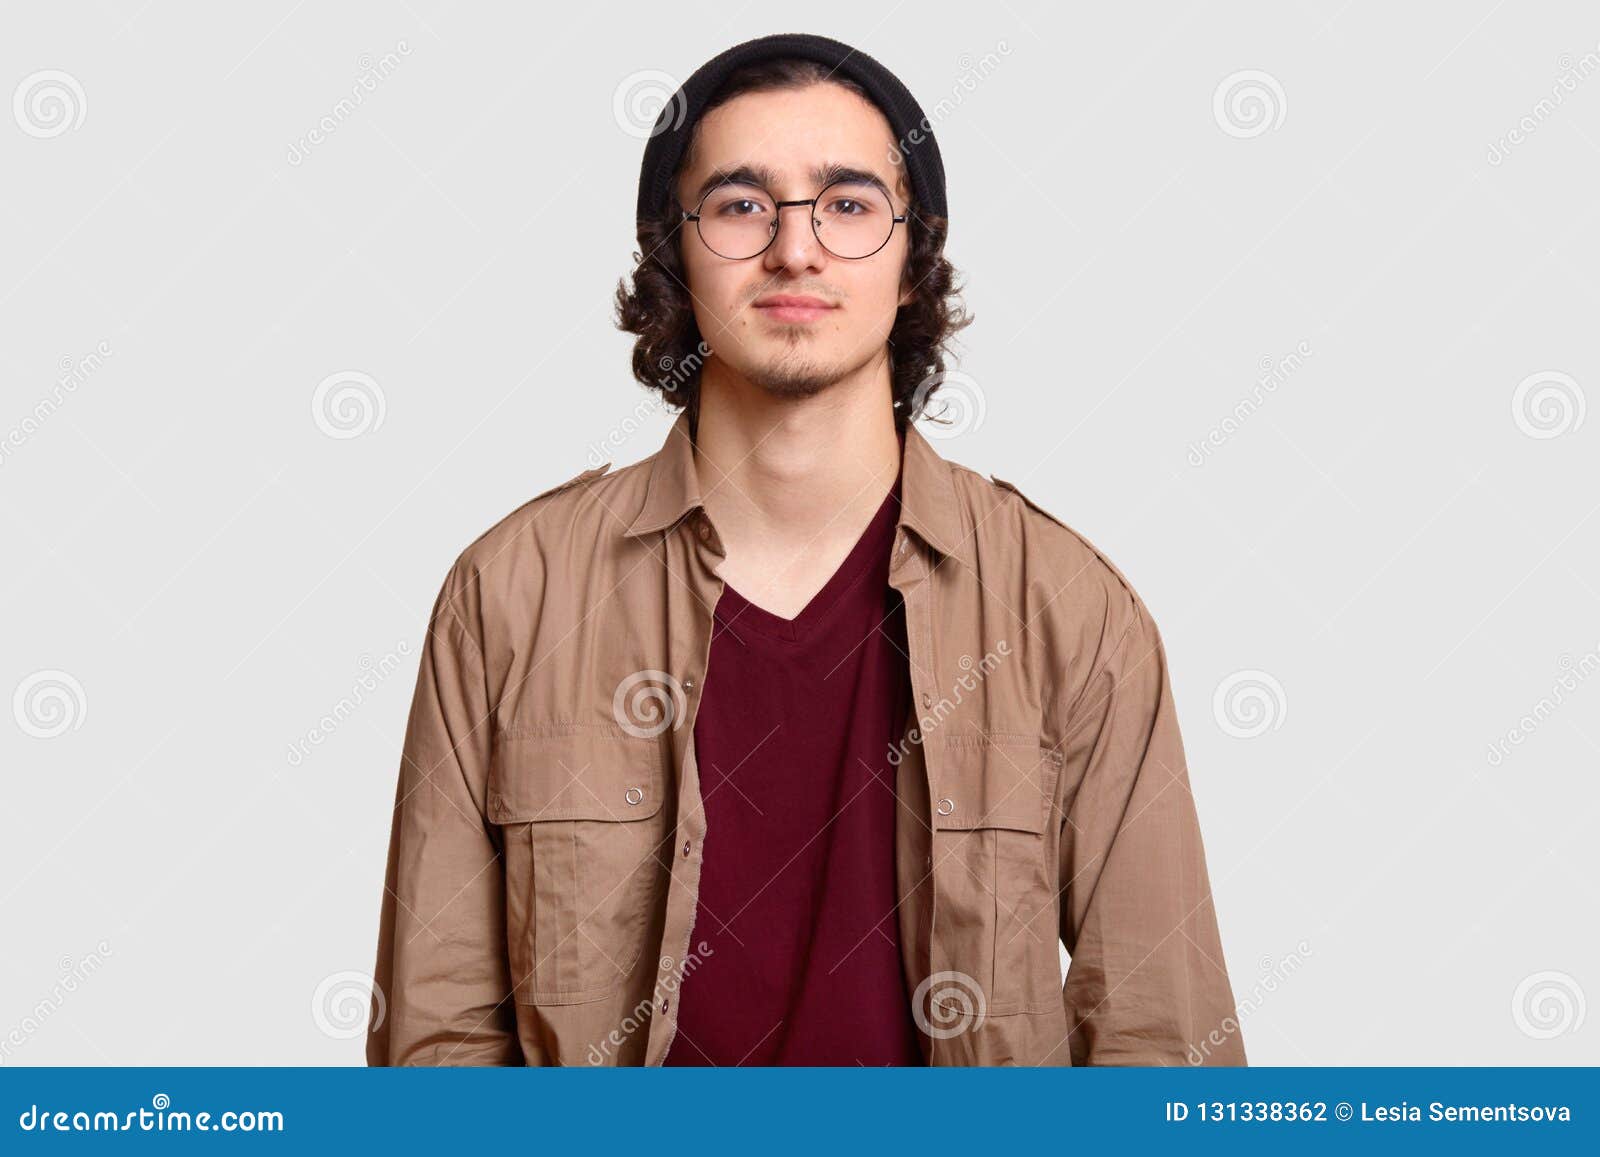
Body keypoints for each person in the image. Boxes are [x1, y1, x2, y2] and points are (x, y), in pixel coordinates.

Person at [366, 32, 1245, 1067]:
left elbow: (1163, 1047)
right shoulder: (511, 595)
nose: (796, 249)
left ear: (914, 259)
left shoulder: (1066, 609)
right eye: (741, 204)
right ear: (673, 254)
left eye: (847, 204)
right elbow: (437, 1049)